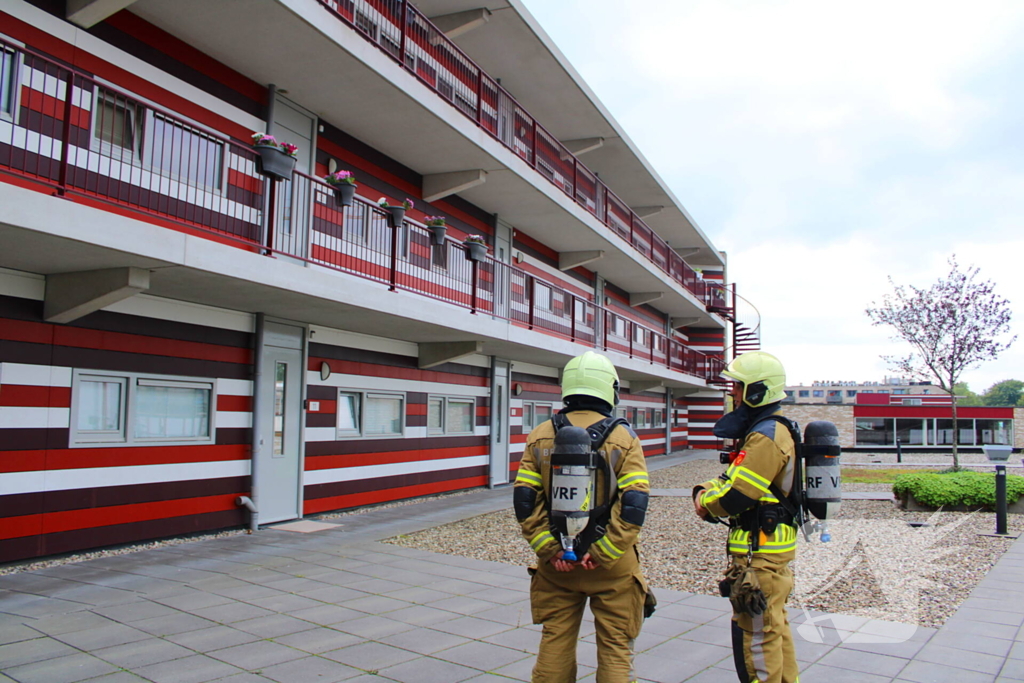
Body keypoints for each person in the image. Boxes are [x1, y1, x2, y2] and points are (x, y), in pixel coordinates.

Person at [513, 351, 651, 683]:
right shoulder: (624, 438)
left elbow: (524, 500)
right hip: (611, 568)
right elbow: (634, 503)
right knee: (616, 648)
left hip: (556, 566)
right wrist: (604, 551)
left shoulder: (542, 433)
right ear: (609, 389)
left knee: (554, 644)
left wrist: (550, 548)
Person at [692, 351, 799, 683]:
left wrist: (704, 502)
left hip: (759, 558)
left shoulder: (766, 436)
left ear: (757, 391)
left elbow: (738, 496)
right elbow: (733, 477)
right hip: (766, 555)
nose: (732, 393)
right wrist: (706, 487)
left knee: (757, 645)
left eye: (738, 386)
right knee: (775, 630)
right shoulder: (765, 430)